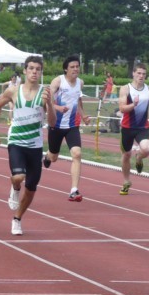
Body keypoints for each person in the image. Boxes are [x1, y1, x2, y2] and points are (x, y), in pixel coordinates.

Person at [0, 55, 56, 236]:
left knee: (32, 186)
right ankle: (15, 187)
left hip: (35, 145)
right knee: (19, 176)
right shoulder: (13, 91)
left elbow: (52, 122)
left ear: (41, 72)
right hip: (16, 141)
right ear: (25, 71)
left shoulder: (45, 92)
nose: (34, 72)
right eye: (31, 68)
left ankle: (17, 218)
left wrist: (49, 103)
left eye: (38, 69)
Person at [43, 55, 90, 202]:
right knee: (54, 157)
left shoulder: (80, 83)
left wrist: (83, 116)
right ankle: (47, 156)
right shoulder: (58, 82)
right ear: (65, 69)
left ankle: (74, 190)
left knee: (76, 154)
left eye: (77, 66)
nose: (76, 69)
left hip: (72, 126)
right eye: (72, 67)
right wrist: (58, 107)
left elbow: (78, 100)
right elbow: (46, 103)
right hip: (56, 125)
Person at [118, 63, 149, 195]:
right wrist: (133, 105)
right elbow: (122, 108)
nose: (141, 76)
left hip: (142, 127)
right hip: (127, 128)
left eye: (144, 74)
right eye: (139, 73)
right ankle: (126, 181)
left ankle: (139, 158)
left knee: (147, 147)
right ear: (133, 73)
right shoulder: (125, 89)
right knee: (126, 155)